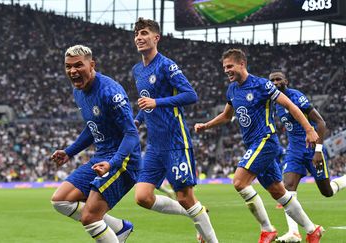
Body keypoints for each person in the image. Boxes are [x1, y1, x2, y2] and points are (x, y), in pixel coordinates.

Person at [194, 48, 324, 243]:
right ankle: (312, 230)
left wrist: (309, 129)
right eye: (224, 67)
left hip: (266, 140)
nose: (226, 70)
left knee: (239, 182)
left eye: (230, 66)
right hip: (253, 144)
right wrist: (206, 125)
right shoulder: (232, 89)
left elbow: (290, 105)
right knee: (278, 192)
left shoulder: (261, 85)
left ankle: (267, 229)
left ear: (242, 64)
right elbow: (227, 116)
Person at [132, 18, 218, 243]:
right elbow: (144, 102)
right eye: (136, 34)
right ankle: (197, 213)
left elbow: (191, 95)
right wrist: (138, 121)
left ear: (156, 38)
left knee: (185, 197)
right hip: (154, 145)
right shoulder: (137, 70)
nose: (139, 37)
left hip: (175, 141)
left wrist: (157, 102)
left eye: (144, 33)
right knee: (142, 197)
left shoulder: (166, 65)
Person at [50, 45, 141, 243]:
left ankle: (117, 231)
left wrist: (113, 163)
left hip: (123, 160)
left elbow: (132, 134)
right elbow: (93, 127)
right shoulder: (79, 91)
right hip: (102, 157)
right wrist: (69, 152)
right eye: (68, 67)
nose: (72, 71)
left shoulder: (110, 92)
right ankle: (120, 228)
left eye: (78, 65)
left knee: (90, 218)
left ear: (92, 65)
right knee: (61, 200)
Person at [269, 70, 346, 243]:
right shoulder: (275, 103)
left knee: (327, 191)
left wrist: (318, 151)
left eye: (278, 79)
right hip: (294, 150)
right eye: (272, 80)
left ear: (285, 81)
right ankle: (293, 233)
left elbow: (321, 123)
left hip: (313, 149)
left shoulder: (297, 97)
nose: (275, 82)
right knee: (287, 187)